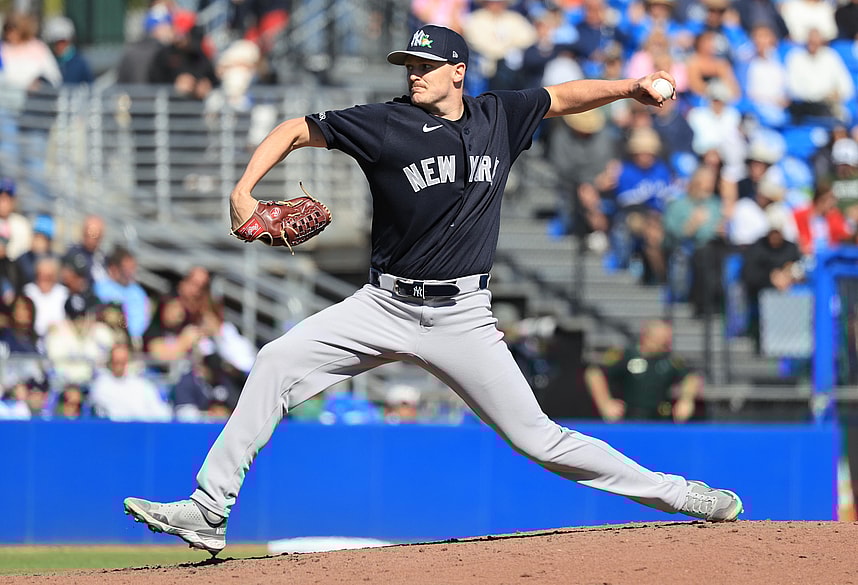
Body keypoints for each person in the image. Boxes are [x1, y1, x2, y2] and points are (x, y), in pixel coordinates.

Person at [123, 24, 743, 556]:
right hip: (382, 304)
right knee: (277, 360)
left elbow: (563, 97)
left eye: (424, 65)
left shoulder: (499, 115)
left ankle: (678, 493)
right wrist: (243, 191)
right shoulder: (386, 124)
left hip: (463, 315)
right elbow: (294, 129)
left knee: (541, 441)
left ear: (457, 72)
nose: (413, 74)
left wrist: (631, 88)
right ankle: (209, 510)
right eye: (408, 64)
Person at [585, 319, 703, 422]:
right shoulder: (626, 355)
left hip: (660, 419)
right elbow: (594, 373)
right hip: (629, 419)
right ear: (647, 336)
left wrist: (686, 400)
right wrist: (605, 403)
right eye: (661, 340)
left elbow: (691, 377)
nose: (666, 345)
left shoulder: (669, 360)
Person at [90, 342, 173, 422]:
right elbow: (112, 413)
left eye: (122, 361)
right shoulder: (101, 385)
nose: (119, 365)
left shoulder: (143, 385)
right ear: (110, 361)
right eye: (116, 361)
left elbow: (160, 412)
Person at [42, 15, 94, 85]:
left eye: (63, 42)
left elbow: (90, 87)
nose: (59, 46)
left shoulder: (79, 64)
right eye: (56, 43)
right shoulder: (47, 62)